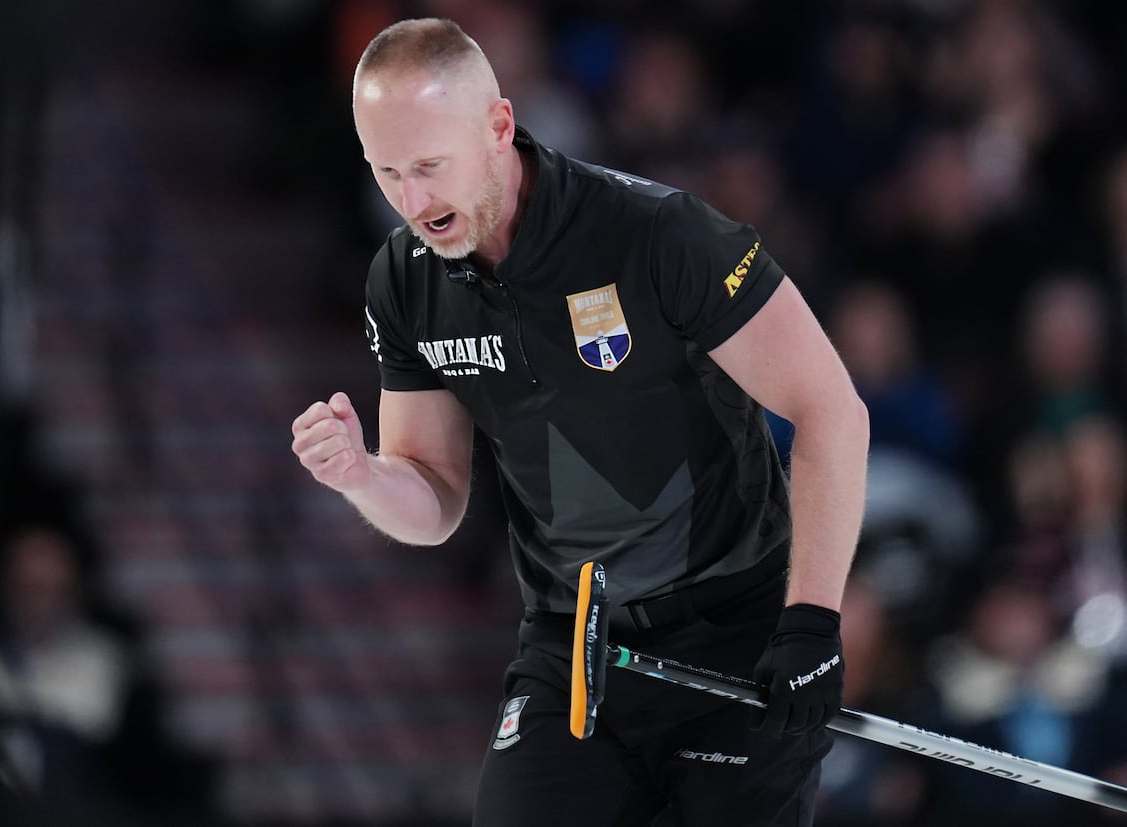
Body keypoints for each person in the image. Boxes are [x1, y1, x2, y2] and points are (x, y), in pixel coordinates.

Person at [290, 17, 869, 826]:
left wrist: (812, 622)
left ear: (497, 127)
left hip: (736, 629)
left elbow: (831, 410)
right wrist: (363, 474)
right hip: (576, 643)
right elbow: (435, 495)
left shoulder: (656, 233)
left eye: (429, 167)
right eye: (387, 172)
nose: (413, 202)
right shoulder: (404, 279)